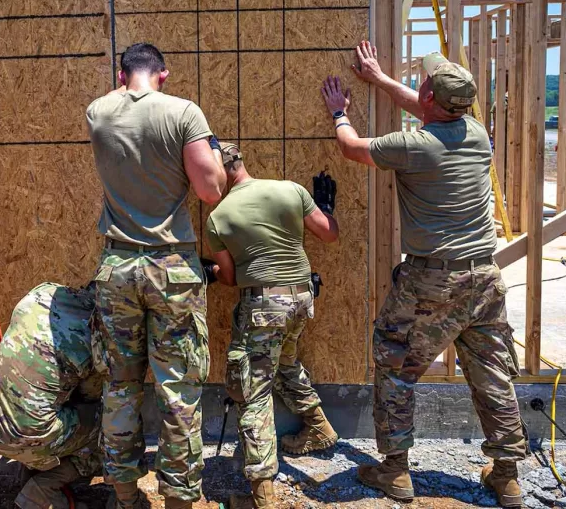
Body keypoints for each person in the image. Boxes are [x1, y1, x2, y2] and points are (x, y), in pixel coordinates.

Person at [320, 42, 527, 508]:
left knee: (395, 366)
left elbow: (352, 147)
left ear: (431, 99)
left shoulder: (414, 146)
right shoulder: (475, 133)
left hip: (433, 281)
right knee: (493, 373)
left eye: (424, 84)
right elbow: (423, 106)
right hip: (485, 279)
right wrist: (379, 79)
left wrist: (339, 112)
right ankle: (508, 477)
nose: (420, 87)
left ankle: (394, 472)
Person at [85, 42, 226, 509]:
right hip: (171, 271)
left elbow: (119, 99)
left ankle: (124, 495)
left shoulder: (98, 113)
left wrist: (125, 88)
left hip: (117, 268)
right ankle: (181, 500)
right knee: (178, 391)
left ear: (122, 74)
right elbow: (210, 190)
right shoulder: (184, 113)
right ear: (163, 74)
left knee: (120, 387)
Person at [203, 143, 340, 508]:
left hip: (264, 308)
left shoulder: (218, 217)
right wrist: (325, 207)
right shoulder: (289, 189)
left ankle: (262, 493)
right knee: (285, 362)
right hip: (301, 300)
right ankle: (319, 427)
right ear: (242, 163)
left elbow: (230, 279)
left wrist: (210, 272)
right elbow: (328, 233)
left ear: (219, 170)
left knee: (254, 392)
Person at [0, 282, 102, 509]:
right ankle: (43, 487)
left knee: (43, 403)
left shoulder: (42, 292)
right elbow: (89, 399)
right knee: (112, 427)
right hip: (28, 439)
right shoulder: (96, 337)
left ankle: (30, 468)